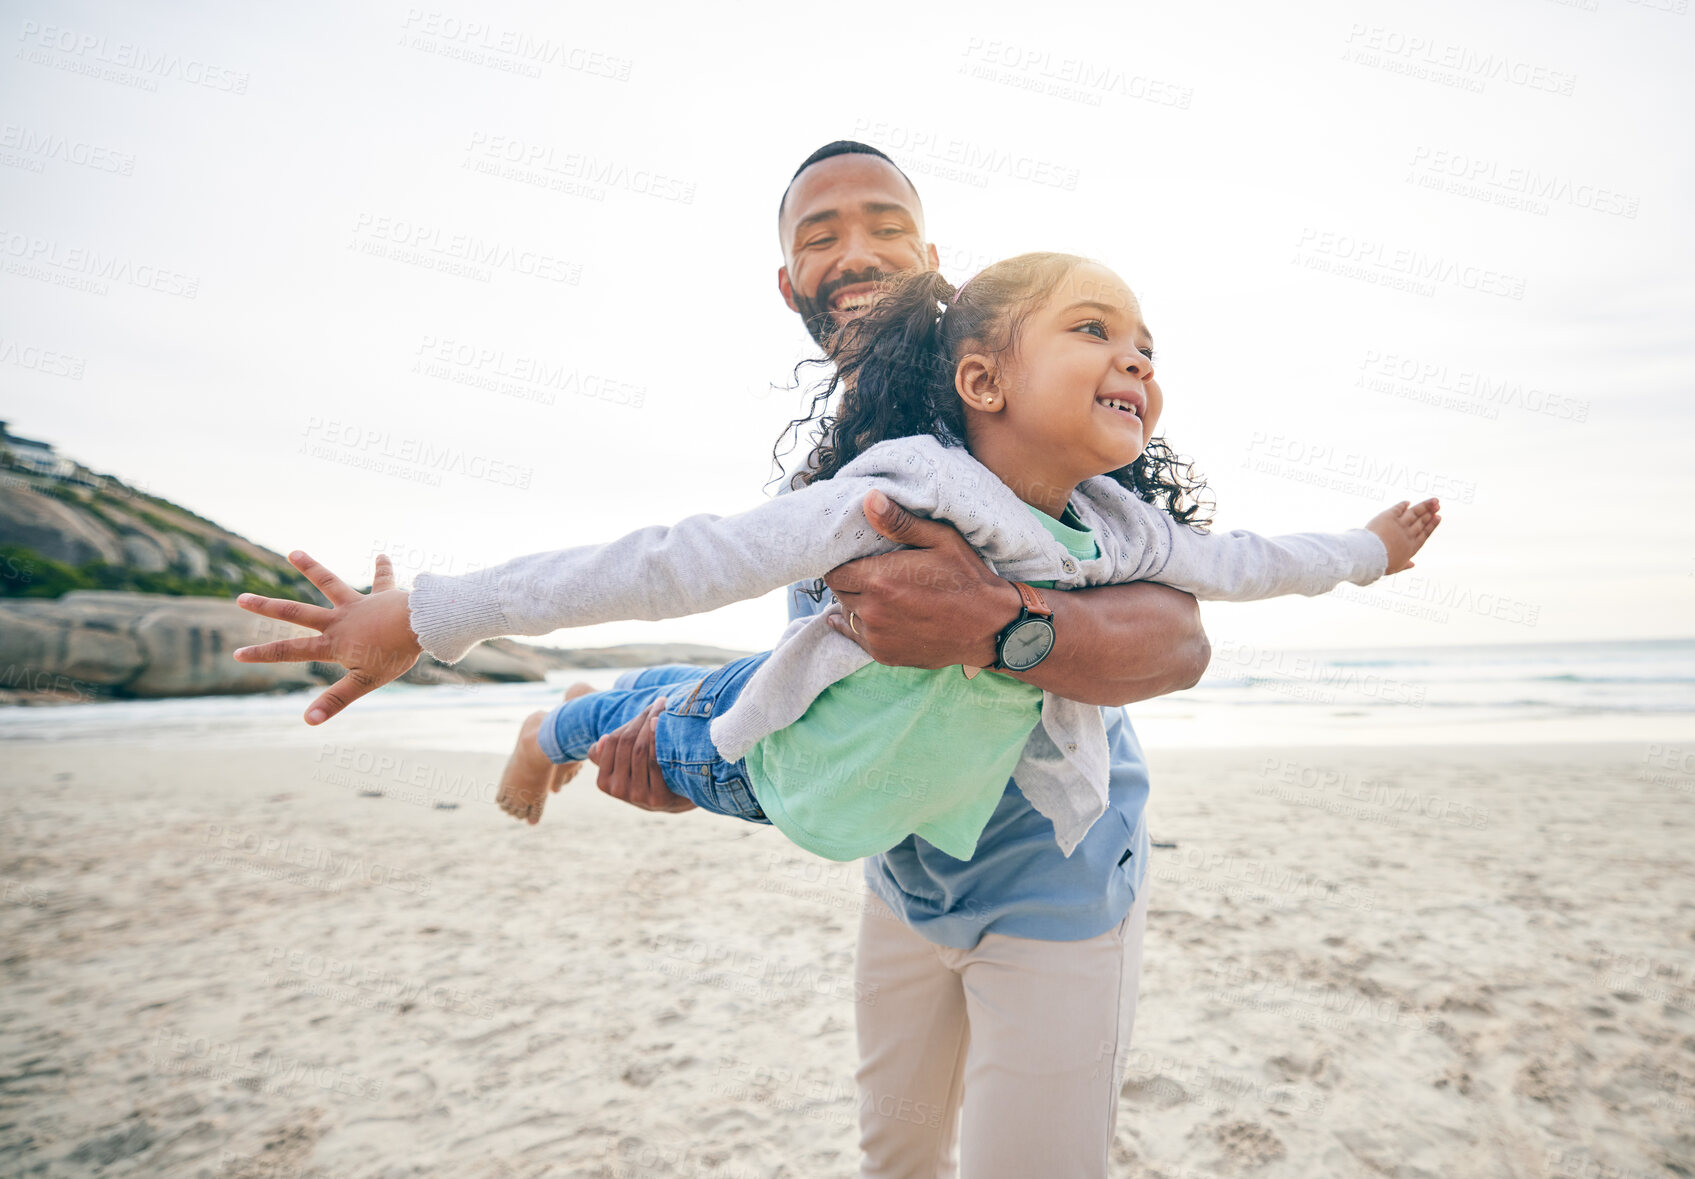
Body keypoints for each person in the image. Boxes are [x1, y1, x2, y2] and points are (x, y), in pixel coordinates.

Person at [225, 144, 1298, 1177]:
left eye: (888, 226)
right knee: (895, 1157)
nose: (857, 250)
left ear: (937, 265)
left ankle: (570, 719)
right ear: (790, 283)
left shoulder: (1024, 413)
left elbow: (1178, 639)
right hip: (902, 875)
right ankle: (577, 720)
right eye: (821, 234)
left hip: (1056, 884)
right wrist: (429, 614)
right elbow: (685, 579)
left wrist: (995, 622)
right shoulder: (836, 475)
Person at [457, 255, 1435, 865]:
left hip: (896, 803)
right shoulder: (909, 489)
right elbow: (676, 562)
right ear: (981, 378)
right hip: (795, 762)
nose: (1137, 361)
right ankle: (549, 726)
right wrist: (438, 615)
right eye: (1097, 333)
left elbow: (1252, 563)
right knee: (662, 716)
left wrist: (1368, 551)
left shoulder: (1127, 529)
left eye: (1147, 347)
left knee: (695, 698)